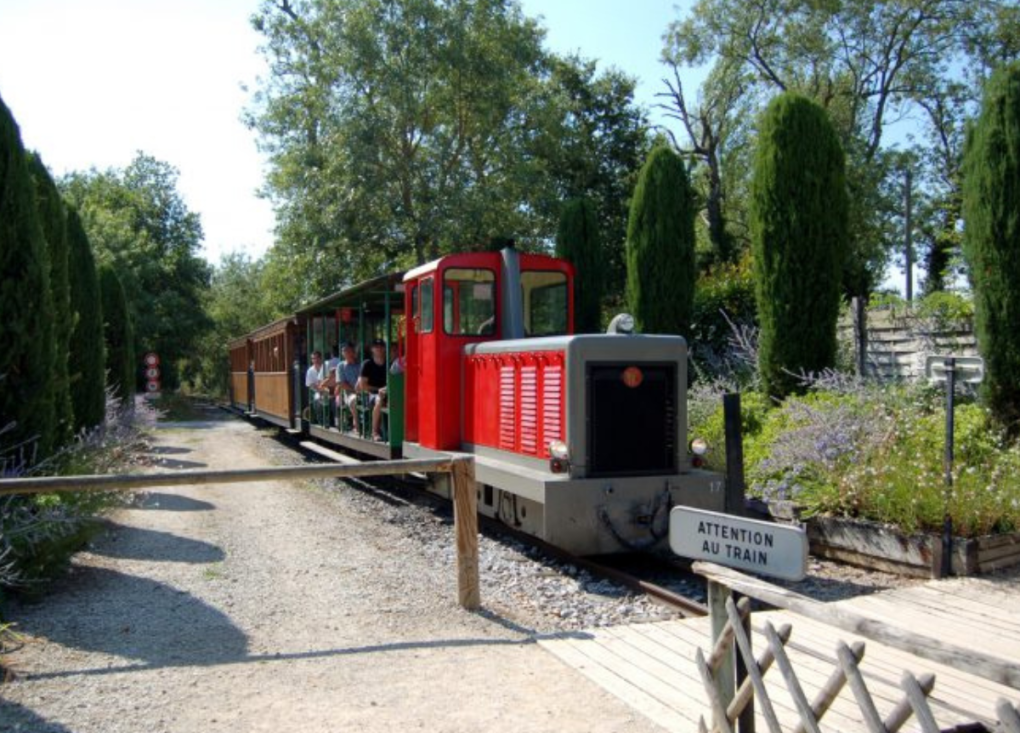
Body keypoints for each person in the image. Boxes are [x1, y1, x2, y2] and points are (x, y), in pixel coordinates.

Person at [357, 339, 388, 441]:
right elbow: (363, 386)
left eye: (381, 346)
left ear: (384, 348)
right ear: (372, 349)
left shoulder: (389, 363)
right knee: (380, 400)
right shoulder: (367, 364)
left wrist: (385, 389)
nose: (378, 348)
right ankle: (375, 431)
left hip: (388, 392)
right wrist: (379, 389)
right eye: (376, 346)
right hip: (370, 395)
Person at [334, 342, 362, 433]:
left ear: (353, 352)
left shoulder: (360, 364)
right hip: (349, 393)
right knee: (354, 400)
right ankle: (357, 425)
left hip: (364, 391)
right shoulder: (341, 366)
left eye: (347, 351)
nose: (345, 353)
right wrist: (355, 390)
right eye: (343, 351)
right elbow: (341, 383)